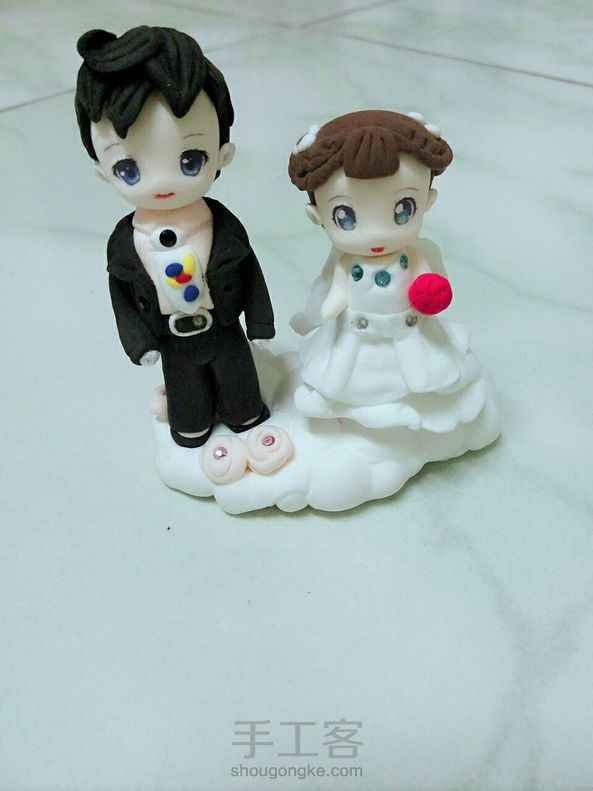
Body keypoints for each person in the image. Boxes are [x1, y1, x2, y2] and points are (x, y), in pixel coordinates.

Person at [75, 26, 275, 448]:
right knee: (189, 414)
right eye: (129, 169)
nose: (162, 184)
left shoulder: (224, 227)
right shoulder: (125, 245)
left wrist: (259, 322)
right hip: (172, 339)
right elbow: (120, 296)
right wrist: (139, 343)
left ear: (223, 153)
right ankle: (191, 427)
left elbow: (251, 273)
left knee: (244, 403)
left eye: (190, 160)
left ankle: (244, 416)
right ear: (102, 171)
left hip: (225, 329)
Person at [288, 110, 485, 431]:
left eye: (403, 210)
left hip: (408, 330)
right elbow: (337, 288)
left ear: (427, 200)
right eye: (346, 217)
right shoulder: (346, 262)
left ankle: (425, 405)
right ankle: (341, 405)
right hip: (357, 334)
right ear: (317, 215)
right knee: (344, 376)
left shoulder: (415, 254)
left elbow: (428, 279)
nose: (377, 234)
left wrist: (429, 290)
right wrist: (331, 306)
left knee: (423, 373)